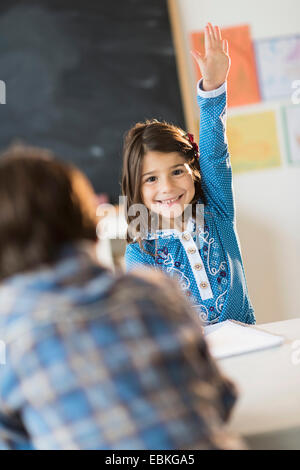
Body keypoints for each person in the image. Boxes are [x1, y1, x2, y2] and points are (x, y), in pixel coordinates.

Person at [0, 144, 243, 450]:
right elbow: (220, 400)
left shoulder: (15, 339)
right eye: (151, 179)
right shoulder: (155, 291)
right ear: (89, 217)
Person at [122, 23, 255, 325]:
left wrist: (213, 88)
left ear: (193, 171)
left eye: (177, 171)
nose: (167, 186)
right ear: (136, 188)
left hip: (250, 346)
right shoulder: (141, 254)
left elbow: (214, 153)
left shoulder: (217, 212)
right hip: (188, 364)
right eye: (151, 178)